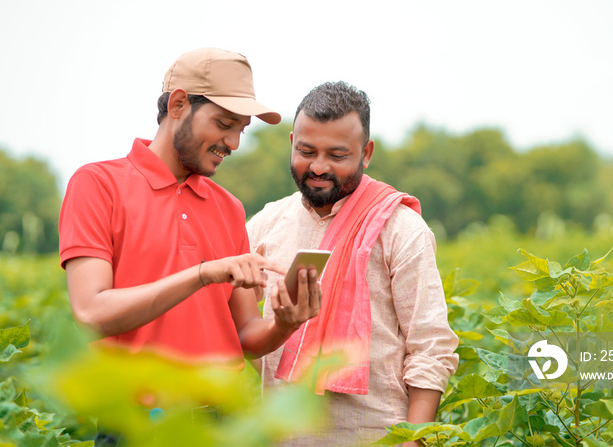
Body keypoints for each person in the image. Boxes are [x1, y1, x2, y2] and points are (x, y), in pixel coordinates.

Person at [59, 48, 321, 443]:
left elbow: (247, 334)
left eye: (241, 129)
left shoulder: (228, 208)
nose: (232, 142)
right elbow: (91, 311)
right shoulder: (98, 185)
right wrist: (201, 274)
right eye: (223, 123)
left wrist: (285, 323)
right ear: (179, 104)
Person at [246, 81, 459, 446]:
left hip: (375, 434)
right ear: (292, 142)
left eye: (337, 155)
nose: (318, 166)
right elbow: (239, 330)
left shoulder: (399, 229)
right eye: (306, 151)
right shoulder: (265, 225)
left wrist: (415, 439)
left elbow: (430, 347)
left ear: (366, 153)